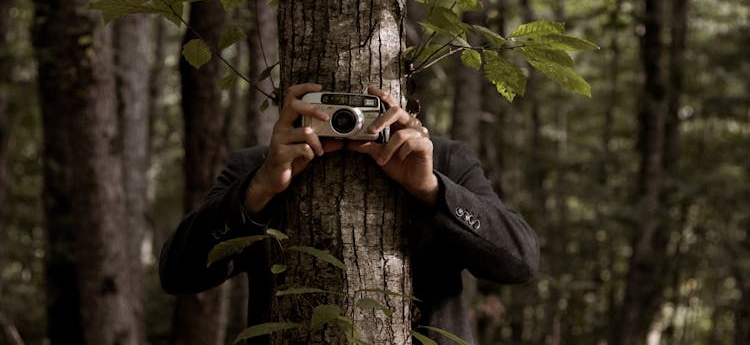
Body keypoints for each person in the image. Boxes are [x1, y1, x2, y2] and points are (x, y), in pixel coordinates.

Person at [160, 83, 539, 344]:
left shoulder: (444, 159)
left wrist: (432, 190)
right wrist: (258, 189)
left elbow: (520, 260)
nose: (346, 118)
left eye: (363, 106)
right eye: (329, 105)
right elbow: (178, 272)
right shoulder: (258, 167)